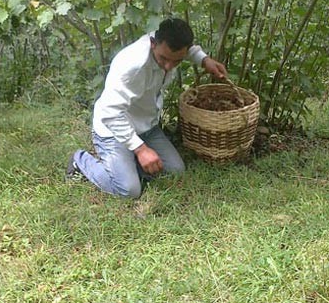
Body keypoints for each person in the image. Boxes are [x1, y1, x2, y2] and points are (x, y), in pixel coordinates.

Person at [66, 18, 227, 198]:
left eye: (176, 61)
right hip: (113, 129)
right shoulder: (132, 67)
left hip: (146, 127)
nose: (168, 66)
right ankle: (80, 160)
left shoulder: (168, 44)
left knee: (175, 171)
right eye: (163, 58)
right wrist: (141, 149)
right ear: (152, 43)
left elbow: (186, 50)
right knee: (129, 190)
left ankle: (128, 163)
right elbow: (110, 113)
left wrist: (204, 60)